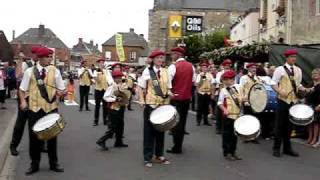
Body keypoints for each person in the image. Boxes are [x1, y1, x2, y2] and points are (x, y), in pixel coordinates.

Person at [19, 47, 65, 175]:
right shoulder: (29, 72)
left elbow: (61, 89)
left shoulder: (55, 71)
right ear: (40, 58)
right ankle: (34, 163)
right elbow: (22, 89)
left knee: (52, 137)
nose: (49, 59)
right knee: (34, 138)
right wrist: (23, 101)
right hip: (34, 109)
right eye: (47, 57)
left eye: (50, 57)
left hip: (50, 108)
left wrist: (62, 93)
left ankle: (53, 163)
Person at [271, 49, 310, 157]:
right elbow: (273, 83)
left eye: (295, 57)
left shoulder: (298, 70)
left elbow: (298, 85)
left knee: (289, 126)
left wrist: (303, 89)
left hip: (293, 100)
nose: (294, 58)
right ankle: (276, 148)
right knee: (279, 125)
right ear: (286, 58)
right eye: (292, 57)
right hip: (282, 100)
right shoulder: (279, 70)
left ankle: (287, 148)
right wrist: (279, 91)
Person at [138, 50, 172, 168]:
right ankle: (147, 157)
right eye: (158, 58)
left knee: (160, 131)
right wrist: (141, 100)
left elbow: (168, 88)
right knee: (149, 132)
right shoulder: (148, 71)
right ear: (153, 59)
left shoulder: (166, 72)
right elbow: (141, 87)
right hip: (151, 104)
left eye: (162, 58)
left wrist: (170, 93)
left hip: (162, 105)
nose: (160, 60)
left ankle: (159, 155)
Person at [10, 46, 39, 156]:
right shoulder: (27, 64)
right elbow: (17, 76)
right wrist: (20, 61)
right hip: (25, 96)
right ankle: (13, 145)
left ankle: (40, 145)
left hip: (37, 98)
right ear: (33, 55)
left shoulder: (44, 67)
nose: (38, 57)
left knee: (37, 122)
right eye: (37, 54)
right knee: (20, 123)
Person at [167, 47, 195, 154]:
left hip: (175, 97)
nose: (171, 56)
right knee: (182, 122)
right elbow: (193, 81)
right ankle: (179, 145)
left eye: (173, 54)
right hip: (186, 98)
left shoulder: (173, 67)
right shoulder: (191, 66)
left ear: (178, 54)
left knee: (175, 122)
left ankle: (176, 146)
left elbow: (168, 84)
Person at [96, 70, 129, 150]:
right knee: (113, 127)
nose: (119, 79)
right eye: (117, 78)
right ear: (114, 78)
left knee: (120, 125)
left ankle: (118, 142)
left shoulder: (121, 85)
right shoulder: (112, 86)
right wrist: (115, 99)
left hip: (121, 107)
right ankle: (101, 140)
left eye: (120, 77)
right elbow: (105, 97)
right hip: (113, 108)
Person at [218, 70, 242, 161]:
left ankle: (233, 151)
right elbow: (220, 103)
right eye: (225, 80)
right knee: (227, 135)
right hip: (228, 117)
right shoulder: (223, 91)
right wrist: (224, 110)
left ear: (232, 80)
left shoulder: (238, 88)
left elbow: (241, 99)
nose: (227, 81)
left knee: (235, 135)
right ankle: (227, 152)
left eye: (228, 80)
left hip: (237, 116)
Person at [239, 63, 261, 144]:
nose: (254, 69)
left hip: (256, 102)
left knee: (255, 119)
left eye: (255, 68)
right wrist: (244, 101)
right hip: (247, 101)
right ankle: (245, 136)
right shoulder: (244, 78)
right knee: (247, 119)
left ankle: (253, 137)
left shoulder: (258, 78)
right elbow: (241, 89)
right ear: (248, 69)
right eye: (252, 68)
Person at [93, 58, 113, 126]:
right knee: (97, 106)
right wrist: (99, 73)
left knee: (105, 106)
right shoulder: (95, 71)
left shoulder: (107, 71)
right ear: (98, 64)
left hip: (105, 90)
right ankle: (96, 121)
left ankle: (105, 120)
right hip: (98, 90)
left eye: (103, 62)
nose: (102, 64)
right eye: (100, 63)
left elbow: (109, 80)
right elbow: (97, 80)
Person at [215, 59, 233, 134]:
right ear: (223, 66)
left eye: (228, 65)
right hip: (222, 92)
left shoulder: (232, 73)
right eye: (226, 65)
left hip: (230, 93)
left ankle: (225, 127)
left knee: (229, 110)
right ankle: (218, 127)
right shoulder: (219, 73)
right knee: (220, 111)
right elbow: (218, 81)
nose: (227, 66)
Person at [195, 62, 215, 126]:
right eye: (203, 67)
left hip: (208, 93)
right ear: (201, 68)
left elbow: (212, 85)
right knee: (200, 107)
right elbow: (198, 85)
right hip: (201, 93)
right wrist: (201, 77)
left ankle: (206, 121)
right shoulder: (199, 75)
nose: (204, 68)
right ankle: (198, 121)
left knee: (206, 108)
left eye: (205, 67)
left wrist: (212, 94)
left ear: (207, 68)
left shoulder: (210, 75)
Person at [306, 68, 320, 147]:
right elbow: (306, 93)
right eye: (313, 73)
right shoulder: (310, 84)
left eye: (316, 74)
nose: (314, 75)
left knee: (316, 123)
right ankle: (310, 137)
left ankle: (315, 138)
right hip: (309, 105)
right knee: (309, 122)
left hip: (317, 105)